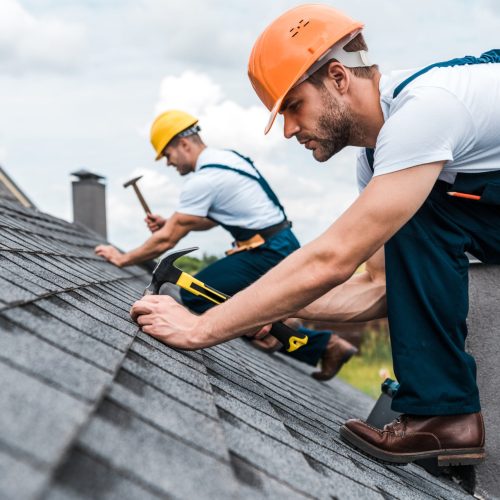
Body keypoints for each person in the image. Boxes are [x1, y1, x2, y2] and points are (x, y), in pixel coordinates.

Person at [130, 5, 500, 465]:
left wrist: (201, 327)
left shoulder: (426, 111)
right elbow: (379, 286)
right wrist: (256, 308)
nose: (287, 130)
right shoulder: (380, 161)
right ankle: (447, 418)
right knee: (413, 215)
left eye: (293, 106)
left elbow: (334, 258)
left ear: (339, 77)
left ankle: (445, 416)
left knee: (417, 211)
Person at [96, 109, 357, 379]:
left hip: (266, 251)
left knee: (194, 294)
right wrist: (170, 222)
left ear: (183, 144)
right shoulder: (227, 160)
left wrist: (122, 258)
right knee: (232, 300)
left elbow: (168, 239)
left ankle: (312, 341)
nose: (168, 163)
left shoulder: (205, 179)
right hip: (276, 244)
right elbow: (207, 220)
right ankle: (306, 338)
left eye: (167, 155)